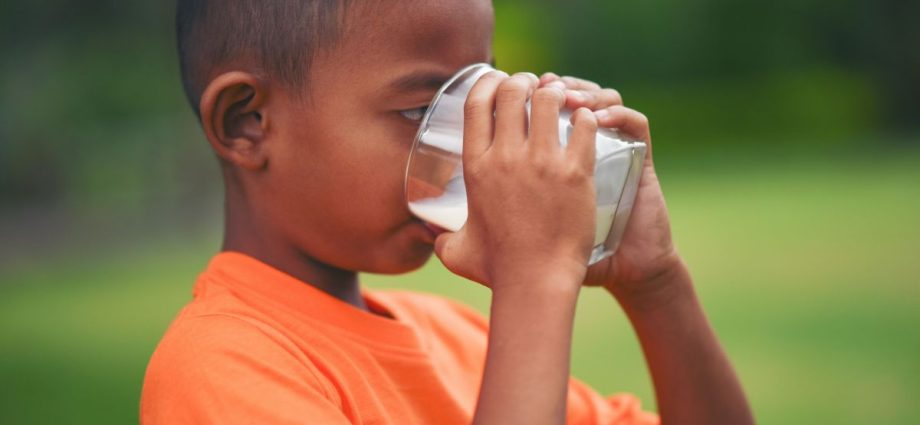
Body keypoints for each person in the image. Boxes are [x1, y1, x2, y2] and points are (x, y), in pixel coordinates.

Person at [140, 1, 754, 424]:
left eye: (468, 100)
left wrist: (656, 284)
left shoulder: (460, 339)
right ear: (246, 122)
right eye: (418, 112)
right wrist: (535, 278)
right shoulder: (221, 365)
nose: (466, 149)